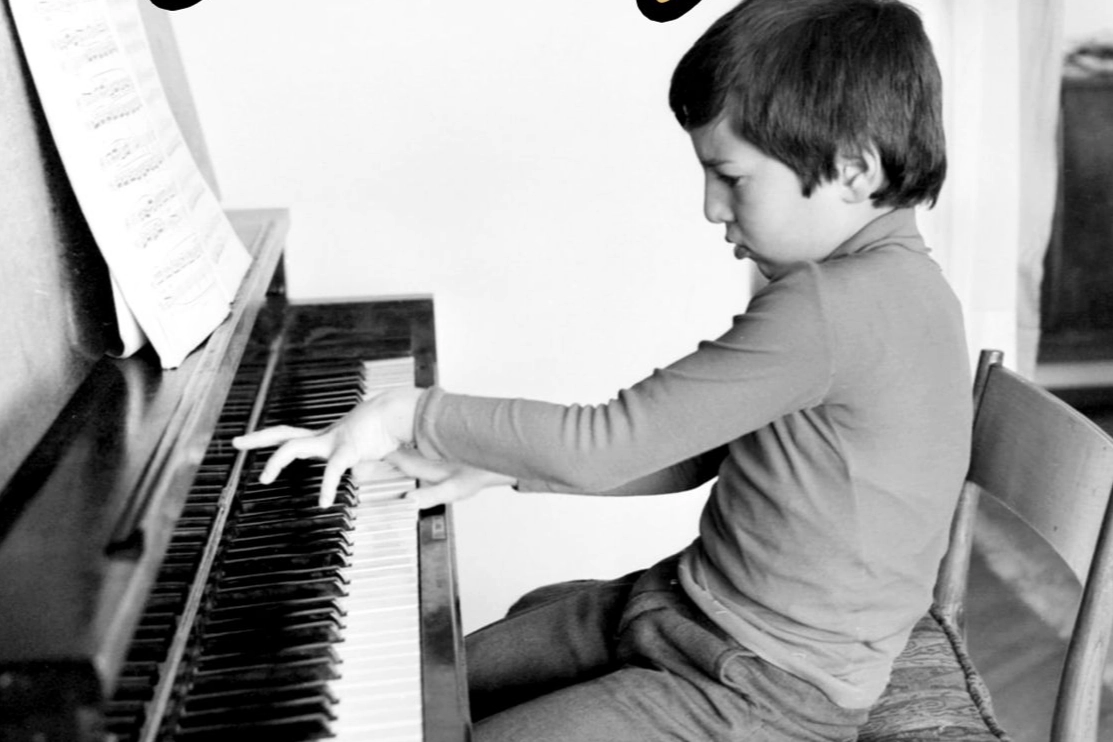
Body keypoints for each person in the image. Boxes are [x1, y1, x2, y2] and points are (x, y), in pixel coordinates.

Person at [233, 0, 972, 739]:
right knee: (424, 691)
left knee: (427, 717)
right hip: (680, 605)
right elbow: (689, 453)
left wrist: (408, 414)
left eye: (730, 176)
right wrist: (499, 465)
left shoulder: (835, 307)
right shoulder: (882, 290)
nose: (711, 208)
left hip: (764, 686)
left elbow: (606, 443)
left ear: (853, 169)